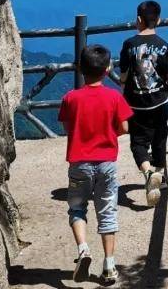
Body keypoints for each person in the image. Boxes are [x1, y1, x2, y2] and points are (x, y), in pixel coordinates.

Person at [57, 44, 133, 285]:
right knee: (107, 212)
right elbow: (124, 128)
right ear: (108, 68)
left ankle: (83, 250)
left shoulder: (70, 98)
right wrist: (107, 136)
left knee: (77, 209)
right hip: (106, 163)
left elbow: (67, 128)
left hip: (79, 163)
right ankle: (109, 265)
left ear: (80, 68)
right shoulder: (114, 97)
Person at [120, 0, 168, 206]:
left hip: (136, 103)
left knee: (138, 142)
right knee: (160, 138)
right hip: (159, 101)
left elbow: (123, 76)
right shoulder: (164, 45)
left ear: (138, 19)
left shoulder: (128, 45)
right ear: (159, 20)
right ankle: (160, 176)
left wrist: (121, 83)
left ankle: (147, 172)